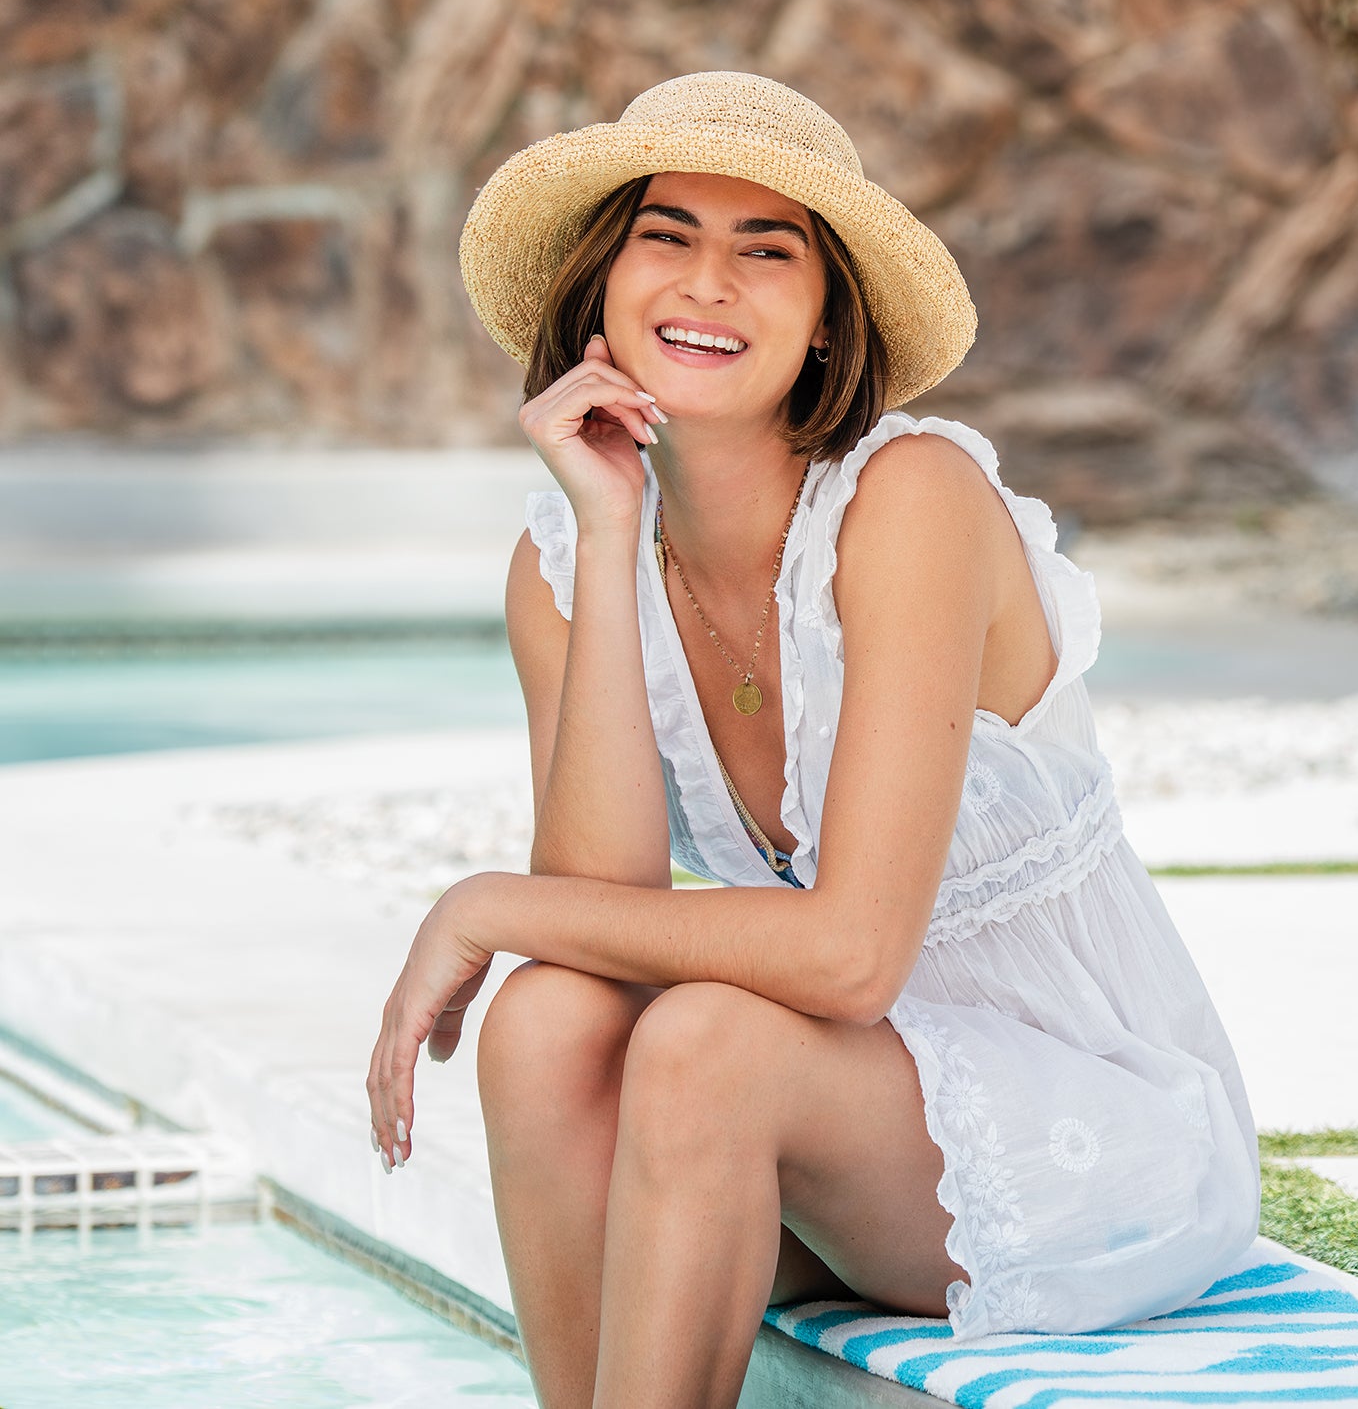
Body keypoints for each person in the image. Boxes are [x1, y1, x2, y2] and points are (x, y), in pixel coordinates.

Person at [366, 70, 1261, 1409]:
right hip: (830, 1117)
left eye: (766, 250)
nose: (709, 285)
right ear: (602, 287)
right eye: (667, 236)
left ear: (830, 319)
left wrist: (482, 904)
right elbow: (600, 914)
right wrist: (610, 539)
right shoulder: (565, 558)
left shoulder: (914, 500)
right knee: (548, 1020)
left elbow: (849, 956)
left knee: (705, 1041)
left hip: (1086, 1128)